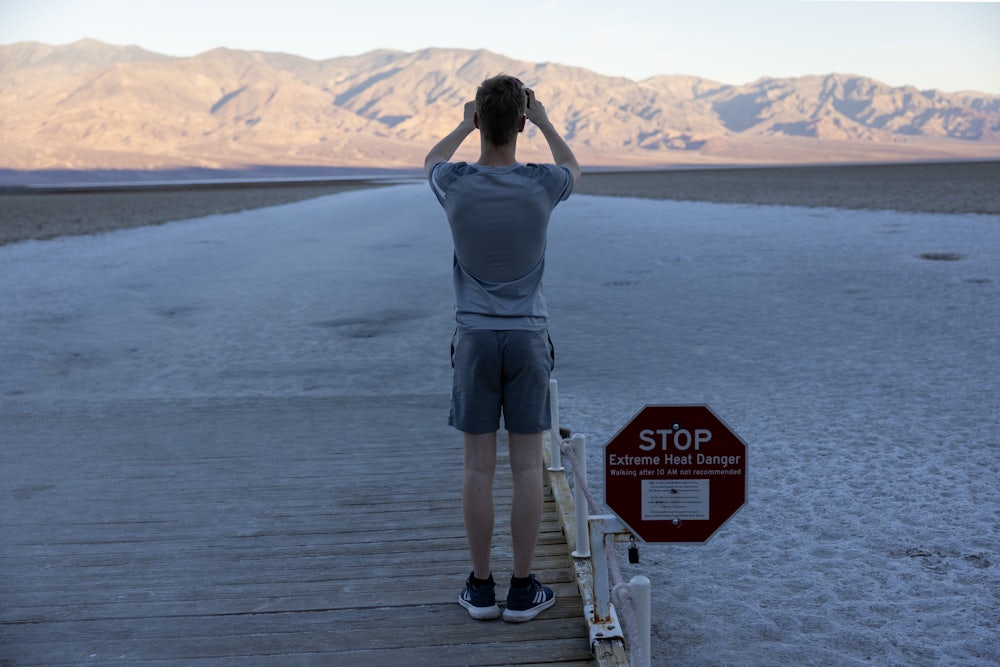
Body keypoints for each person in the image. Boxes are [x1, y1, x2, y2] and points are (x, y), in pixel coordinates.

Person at [425, 74, 581, 623]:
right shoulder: (542, 183)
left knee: (476, 470)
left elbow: (429, 159)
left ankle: (480, 586)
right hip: (528, 338)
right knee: (526, 470)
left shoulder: (455, 182)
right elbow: (574, 167)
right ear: (519, 124)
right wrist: (544, 121)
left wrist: (463, 124)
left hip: (473, 340)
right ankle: (521, 589)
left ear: (478, 123)